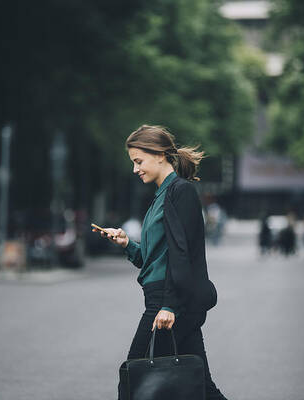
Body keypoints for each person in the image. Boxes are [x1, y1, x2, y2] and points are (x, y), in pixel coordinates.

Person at [92, 125, 228, 400]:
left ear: (159, 155)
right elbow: (154, 259)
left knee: (133, 380)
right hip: (167, 299)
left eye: (138, 161)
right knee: (202, 387)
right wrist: (127, 244)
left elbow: (182, 256)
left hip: (168, 302)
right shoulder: (160, 197)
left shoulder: (181, 192)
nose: (135, 169)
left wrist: (168, 305)